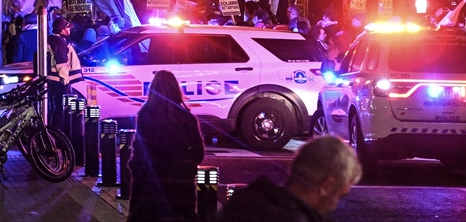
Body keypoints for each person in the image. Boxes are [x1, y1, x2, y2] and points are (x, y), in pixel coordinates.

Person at [220, 135, 361, 221]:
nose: (335, 205)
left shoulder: (243, 204)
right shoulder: (296, 218)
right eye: (339, 196)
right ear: (326, 187)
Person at [128, 70, 205, 222]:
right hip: (181, 187)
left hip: (152, 188)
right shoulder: (187, 118)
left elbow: (141, 152)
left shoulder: (146, 115)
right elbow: (198, 153)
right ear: (176, 90)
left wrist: (137, 174)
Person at [46, 16, 81, 129]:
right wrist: (65, 80)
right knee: (60, 110)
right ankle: (58, 133)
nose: (69, 30)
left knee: (55, 108)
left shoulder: (53, 40)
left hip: (53, 81)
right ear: (61, 30)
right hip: (59, 82)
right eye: (67, 28)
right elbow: (61, 62)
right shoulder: (60, 43)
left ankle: (54, 131)